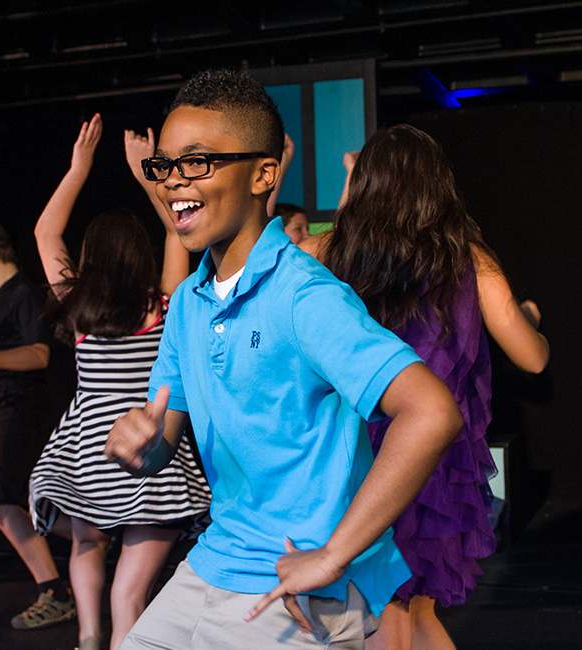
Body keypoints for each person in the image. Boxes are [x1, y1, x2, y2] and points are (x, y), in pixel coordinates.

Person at [105, 68, 462, 649]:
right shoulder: (189, 305)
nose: (174, 181)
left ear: (263, 174)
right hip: (211, 562)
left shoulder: (304, 296)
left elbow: (432, 412)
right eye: (164, 166)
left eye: (196, 162)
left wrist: (333, 555)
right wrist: (139, 449)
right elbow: (161, 444)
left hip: (290, 585)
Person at [317, 124, 548, 650]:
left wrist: (351, 187)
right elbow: (532, 360)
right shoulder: (467, 260)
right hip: (430, 459)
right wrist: (529, 318)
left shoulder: (331, 255)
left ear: (365, 185)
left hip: (356, 455)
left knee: (389, 614)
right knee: (412, 614)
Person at [29, 114, 210, 650]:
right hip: (146, 443)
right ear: (139, 255)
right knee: (130, 594)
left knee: (86, 547)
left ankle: (87, 639)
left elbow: (44, 232)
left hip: (88, 449)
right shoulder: (163, 304)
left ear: (90, 258)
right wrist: (147, 177)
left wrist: (79, 167)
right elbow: (181, 227)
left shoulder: (77, 306)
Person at [0, 219, 76, 630]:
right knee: (14, 502)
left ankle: (55, 590)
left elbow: (40, 354)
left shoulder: (24, 294)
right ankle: (92, 539)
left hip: (23, 407)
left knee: (3, 501)